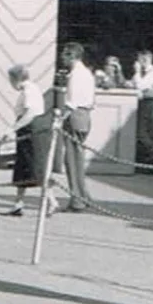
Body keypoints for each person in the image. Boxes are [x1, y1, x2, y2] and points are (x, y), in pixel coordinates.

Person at [0, 64, 59, 217]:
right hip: (27, 130)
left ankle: (52, 201)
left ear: (15, 79)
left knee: (37, 167)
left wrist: (12, 128)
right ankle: (18, 203)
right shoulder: (29, 89)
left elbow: (29, 114)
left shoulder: (29, 91)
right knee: (22, 167)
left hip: (32, 131)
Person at [59, 42, 95, 211]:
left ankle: (77, 201)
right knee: (77, 159)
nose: (62, 58)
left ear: (71, 55)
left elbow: (71, 102)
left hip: (75, 116)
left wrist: (59, 119)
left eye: (64, 54)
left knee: (72, 161)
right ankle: (83, 195)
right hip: (85, 116)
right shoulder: (86, 73)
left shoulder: (75, 75)